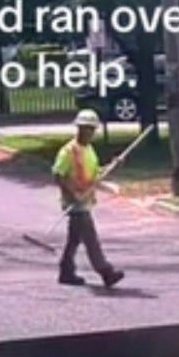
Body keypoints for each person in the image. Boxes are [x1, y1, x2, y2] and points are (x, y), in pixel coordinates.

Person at [51, 110, 125, 288]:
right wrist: (72, 194)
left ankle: (66, 271)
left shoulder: (89, 149)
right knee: (91, 239)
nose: (88, 132)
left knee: (74, 239)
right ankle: (106, 272)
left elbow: (95, 174)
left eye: (91, 129)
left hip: (85, 200)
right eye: (85, 128)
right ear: (78, 128)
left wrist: (113, 165)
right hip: (75, 203)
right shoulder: (69, 151)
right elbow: (58, 175)